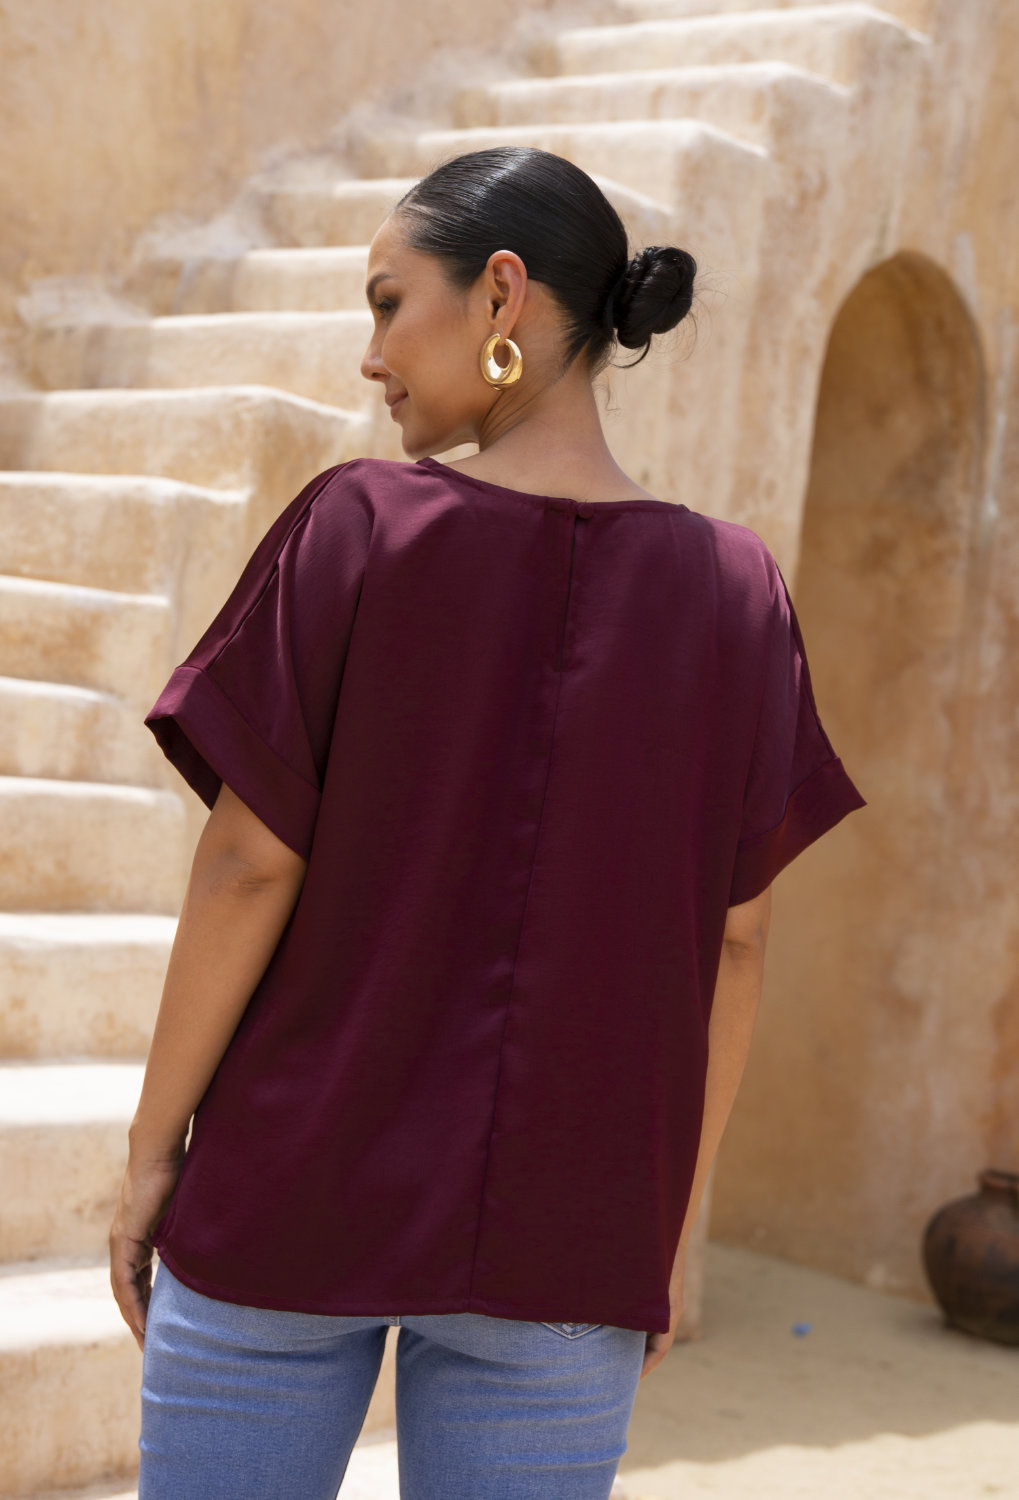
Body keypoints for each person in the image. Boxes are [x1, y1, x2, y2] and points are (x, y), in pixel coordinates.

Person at [109, 146, 866, 1500]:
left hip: (289, 1192)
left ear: (502, 294)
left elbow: (246, 865)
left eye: (389, 303)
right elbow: (736, 943)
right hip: (570, 1241)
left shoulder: (359, 526)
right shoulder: (737, 591)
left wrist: (149, 1150)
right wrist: (663, 1229)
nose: (372, 357)